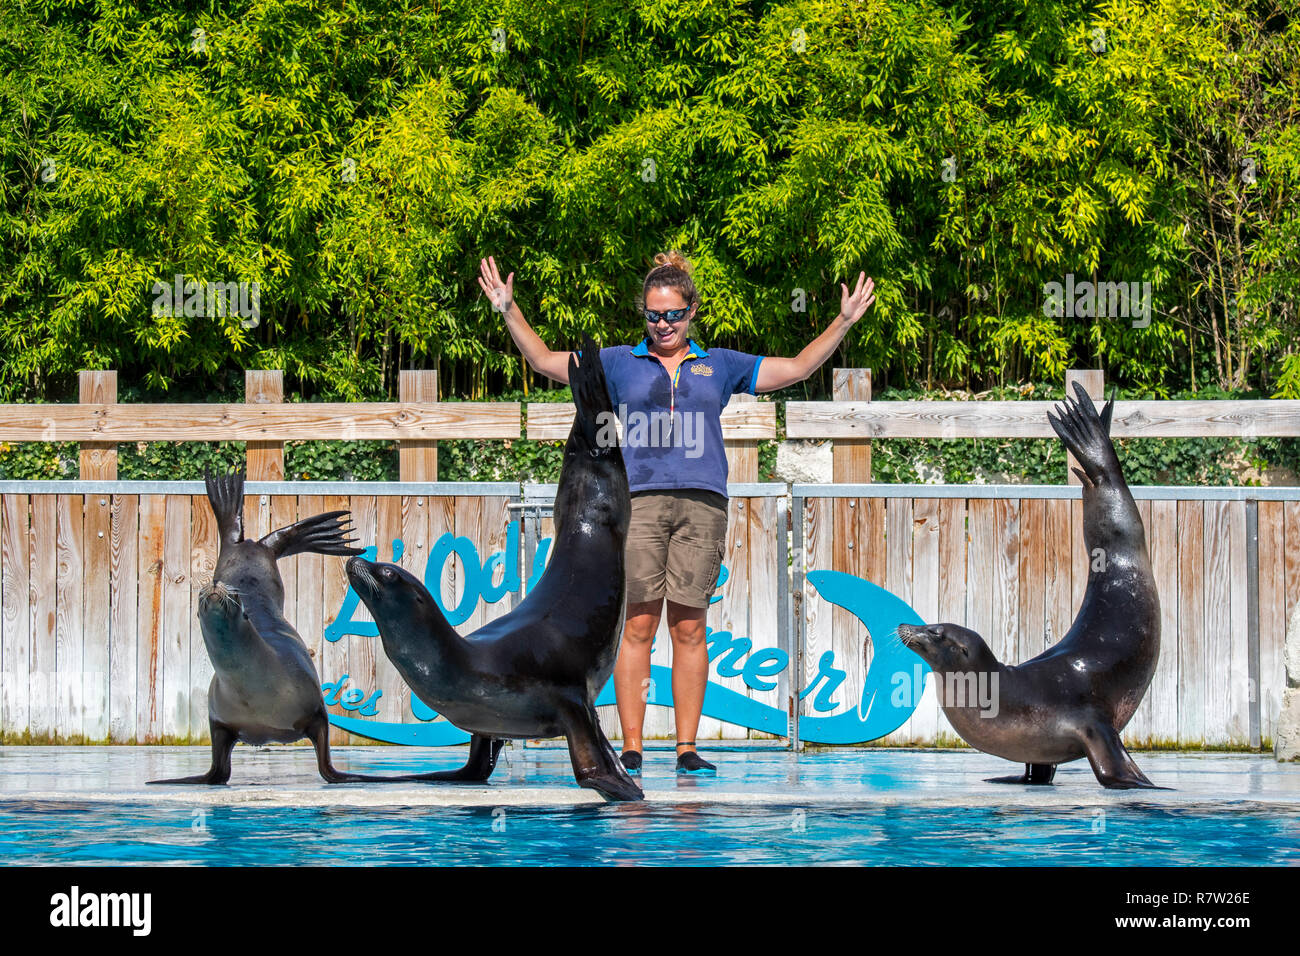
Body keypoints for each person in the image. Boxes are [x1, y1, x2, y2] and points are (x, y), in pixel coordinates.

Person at [479, 250, 876, 774]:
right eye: (652, 315)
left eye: (672, 314)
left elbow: (798, 368)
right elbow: (544, 361)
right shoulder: (620, 362)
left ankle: (687, 747)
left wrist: (843, 321)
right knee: (637, 625)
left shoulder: (722, 365)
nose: (662, 324)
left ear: (692, 313)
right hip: (637, 504)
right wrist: (508, 310)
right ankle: (632, 747)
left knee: (690, 626)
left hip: (702, 503)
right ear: (642, 315)